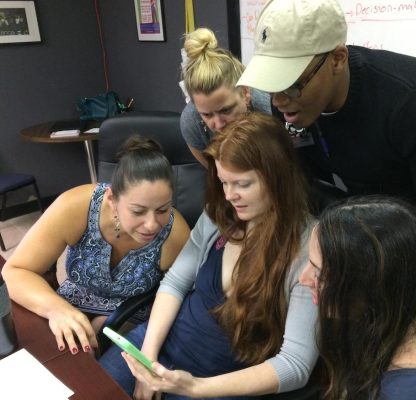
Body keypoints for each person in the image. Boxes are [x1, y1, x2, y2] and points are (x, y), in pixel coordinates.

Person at [237, 0, 416, 264]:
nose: (278, 100)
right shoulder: (289, 105)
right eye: (272, 84)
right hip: (367, 195)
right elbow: (308, 179)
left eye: (292, 83)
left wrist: (389, 272)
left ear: (337, 59)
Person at [99, 112, 318, 399]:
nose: (229, 195)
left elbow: (295, 365)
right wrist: (148, 361)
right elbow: (175, 283)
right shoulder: (221, 216)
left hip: (218, 384)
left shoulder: (310, 247)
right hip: (161, 346)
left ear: (278, 177)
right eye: (224, 182)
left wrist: (193, 387)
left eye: (242, 184)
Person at [1, 135, 190, 355]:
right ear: (112, 199)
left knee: (92, 370)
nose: (151, 224)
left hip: (133, 312)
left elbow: (183, 300)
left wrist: (108, 324)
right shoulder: (76, 206)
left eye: (162, 209)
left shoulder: (174, 234)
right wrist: (57, 309)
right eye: (138, 211)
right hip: (72, 303)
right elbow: (15, 271)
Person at [300, 196, 416, 399]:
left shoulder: (415, 391)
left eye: (319, 272)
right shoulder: (385, 329)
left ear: (370, 285)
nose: (303, 279)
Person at [180, 27, 271, 168]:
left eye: (226, 110)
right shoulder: (191, 122)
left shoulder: (269, 110)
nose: (219, 124)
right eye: (207, 115)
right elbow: (219, 177)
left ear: (245, 93)